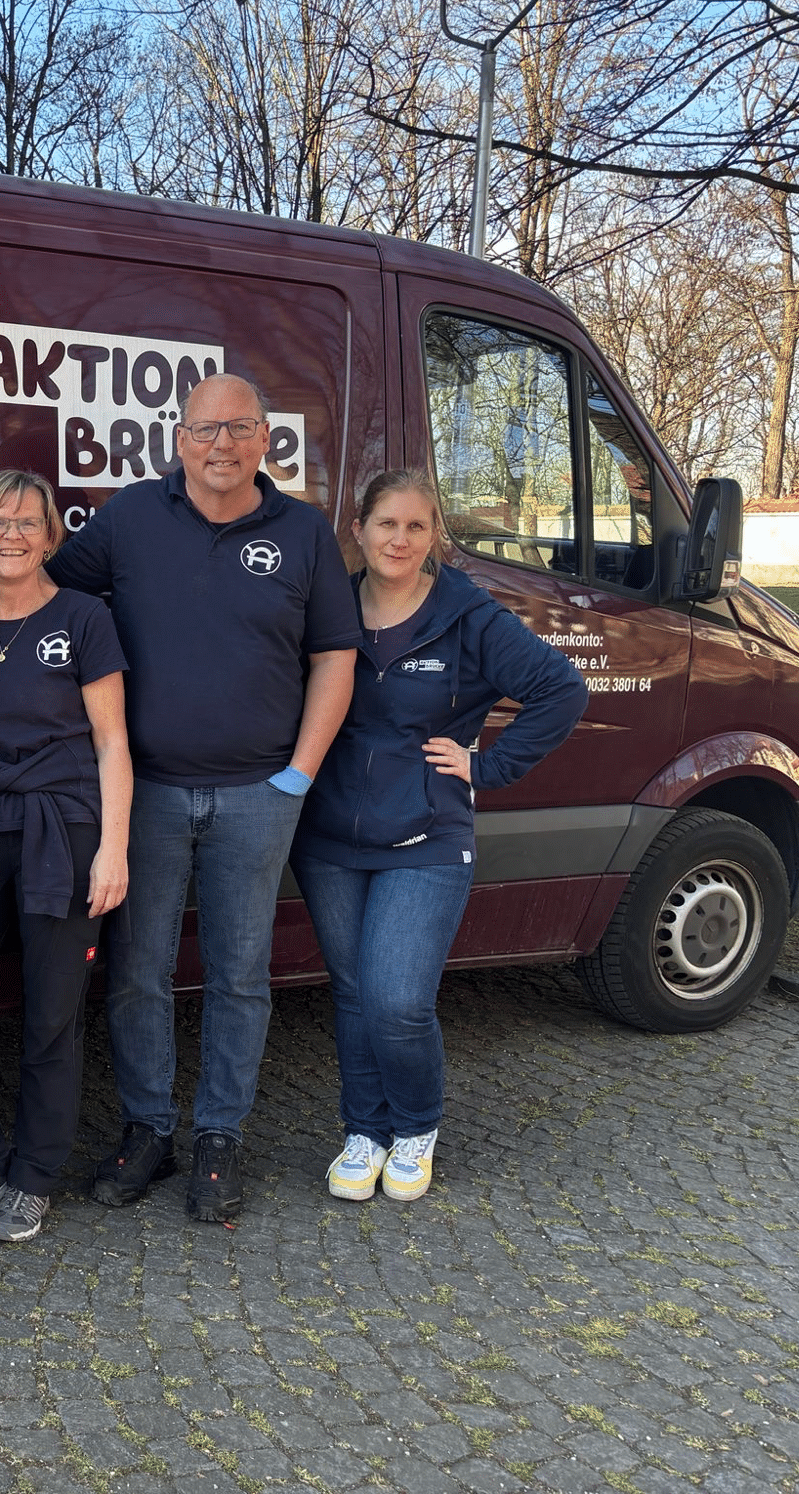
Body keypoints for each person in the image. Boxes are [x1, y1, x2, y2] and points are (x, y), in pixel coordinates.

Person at [0, 373, 360, 1223]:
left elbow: (335, 655)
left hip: (260, 791)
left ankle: (219, 1139)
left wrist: (299, 773)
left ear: (267, 440)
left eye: (238, 429)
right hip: (143, 793)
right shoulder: (130, 516)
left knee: (240, 976)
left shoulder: (303, 533)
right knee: (138, 975)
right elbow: (28, 577)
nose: (220, 444)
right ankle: (148, 1129)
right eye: (203, 429)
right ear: (177, 439)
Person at [293, 469, 586, 1202]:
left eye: (416, 526)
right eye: (385, 524)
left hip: (427, 834)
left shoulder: (467, 612)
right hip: (328, 834)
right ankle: (364, 1130)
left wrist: (485, 765)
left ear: (435, 539)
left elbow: (561, 689)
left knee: (397, 998)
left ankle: (415, 1125)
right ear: (357, 530)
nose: (399, 539)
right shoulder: (326, 605)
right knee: (356, 994)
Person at [0, 470, 132, 1244]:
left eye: (28, 521)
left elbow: (111, 742)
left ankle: (34, 1175)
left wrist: (113, 849)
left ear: (51, 535)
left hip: (62, 829)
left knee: (52, 1014)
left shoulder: (82, 618)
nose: (12, 532)